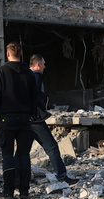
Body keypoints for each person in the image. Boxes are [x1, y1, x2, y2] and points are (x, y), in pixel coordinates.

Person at [0, 42, 38, 199]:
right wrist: (32, 114)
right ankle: (24, 191)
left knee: (7, 156)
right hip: (25, 118)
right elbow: (36, 97)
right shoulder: (29, 74)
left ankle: (9, 191)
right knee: (24, 155)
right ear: (21, 54)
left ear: (8, 54)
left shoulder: (1, 72)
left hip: (6, 118)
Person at [29, 54, 78, 185]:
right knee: (52, 147)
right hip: (35, 119)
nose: (45, 67)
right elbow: (35, 97)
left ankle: (18, 180)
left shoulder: (23, 76)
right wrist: (41, 111)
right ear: (38, 64)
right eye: (43, 64)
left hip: (24, 119)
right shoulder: (36, 76)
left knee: (22, 151)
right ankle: (62, 176)